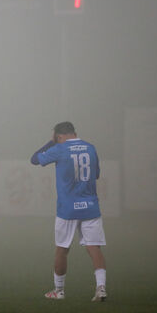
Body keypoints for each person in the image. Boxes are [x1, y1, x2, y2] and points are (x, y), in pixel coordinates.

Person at [30, 121, 107, 301]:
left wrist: (51, 142)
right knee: (94, 247)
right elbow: (95, 175)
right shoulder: (90, 148)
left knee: (62, 249)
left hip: (68, 209)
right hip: (90, 206)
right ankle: (101, 288)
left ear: (58, 136)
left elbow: (34, 159)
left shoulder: (59, 149)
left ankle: (59, 291)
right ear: (75, 132)